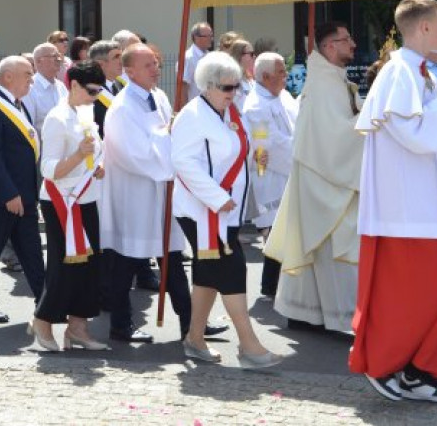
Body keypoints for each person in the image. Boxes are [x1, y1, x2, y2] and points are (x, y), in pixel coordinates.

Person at [349, 0, 437, 404]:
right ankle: (384, 365)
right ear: (423, 28)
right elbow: (413, 134)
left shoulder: (420, 73)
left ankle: (419, 372)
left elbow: (425, 136)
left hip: (424, 209)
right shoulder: (398, 72)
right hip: (403, 213)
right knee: (412, 299)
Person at [172, 52, 283, 368]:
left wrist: (254, 159)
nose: (233, 92)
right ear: (207, 86)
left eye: (236, 86)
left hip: (226, 211)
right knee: (232, 269)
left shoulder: (229, 112)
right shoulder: (192, 116)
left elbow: (231, 153)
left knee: (209, 274)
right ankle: (249, 346)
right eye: (226, 87)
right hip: (201, 211)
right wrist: (216, 197)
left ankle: (194, 338)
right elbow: (182, 162)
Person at [265, 22, 363, 334]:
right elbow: (336, 137)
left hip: (324, 175)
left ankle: (306, 313)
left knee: (316, 250)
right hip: (325, 178)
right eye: (345, 39)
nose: (353, 44)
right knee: (332, 246)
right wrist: (374, 119)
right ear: (329, 47)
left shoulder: (334, 77)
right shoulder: (323, 83)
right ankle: (337, 316)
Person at [101, 43, 191, 343]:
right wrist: (168, 143)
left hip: (161, 191)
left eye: (156, 63)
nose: (157, 69)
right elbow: (135, 154)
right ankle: (120, 325)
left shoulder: (159, 96)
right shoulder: (123, 107)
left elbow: (168, 136)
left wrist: (173, 135)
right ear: (129, 71)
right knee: (126, 262)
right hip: (135, 195)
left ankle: (191, 323)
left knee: (173, 257)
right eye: (149, 65)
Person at [32, 61, 109, 352]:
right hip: (61, 200)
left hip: (86, 196)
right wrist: (79, 155)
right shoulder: (57, 117)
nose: (95, 97)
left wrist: (97, 165)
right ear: (73, 85)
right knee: (64, 266)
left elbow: (96, 152)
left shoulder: (86, 112)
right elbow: (49, 168)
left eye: (99, 92)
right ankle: (43, 320)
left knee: (90, 266)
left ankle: (78, 327)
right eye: (91, 91)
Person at [0, 55, 46, 323]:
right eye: (27, 73)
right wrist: (8, 193)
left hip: (23, 195)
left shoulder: (17, 105)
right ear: (8, 77)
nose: (31, 79)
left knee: (32, 251)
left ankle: (45, 303)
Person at [242, 51, 297, 299]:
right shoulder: (255, 107)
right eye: (281, 72)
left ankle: (274, 285)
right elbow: (270, 145)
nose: (286, 76)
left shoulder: (283, 96)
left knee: (285, 232)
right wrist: (305, 152)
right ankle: (271, 287)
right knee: (276, 231)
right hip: (270, 176)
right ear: (265, 76)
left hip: (288, 172)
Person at [22, 43, 68, 134]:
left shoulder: (61, 86)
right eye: (54, 56)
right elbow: (28, 126)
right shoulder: (30, 88)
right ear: (39, 61)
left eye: (59, 56)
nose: (59, 59)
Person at [177, 22, 214, 108]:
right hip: (195, 108)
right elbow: (183, 87)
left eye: (211, 36)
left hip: (208, 107)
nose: (211, 39)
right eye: (207, 36)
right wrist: (185, 110)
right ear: (196, 37)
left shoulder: (209, 56)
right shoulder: (189, 58)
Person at [228, 39, 256, 111]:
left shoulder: (250, 79)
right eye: (251, 54)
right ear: (239, 55)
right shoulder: (230, 80)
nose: (254, 57)